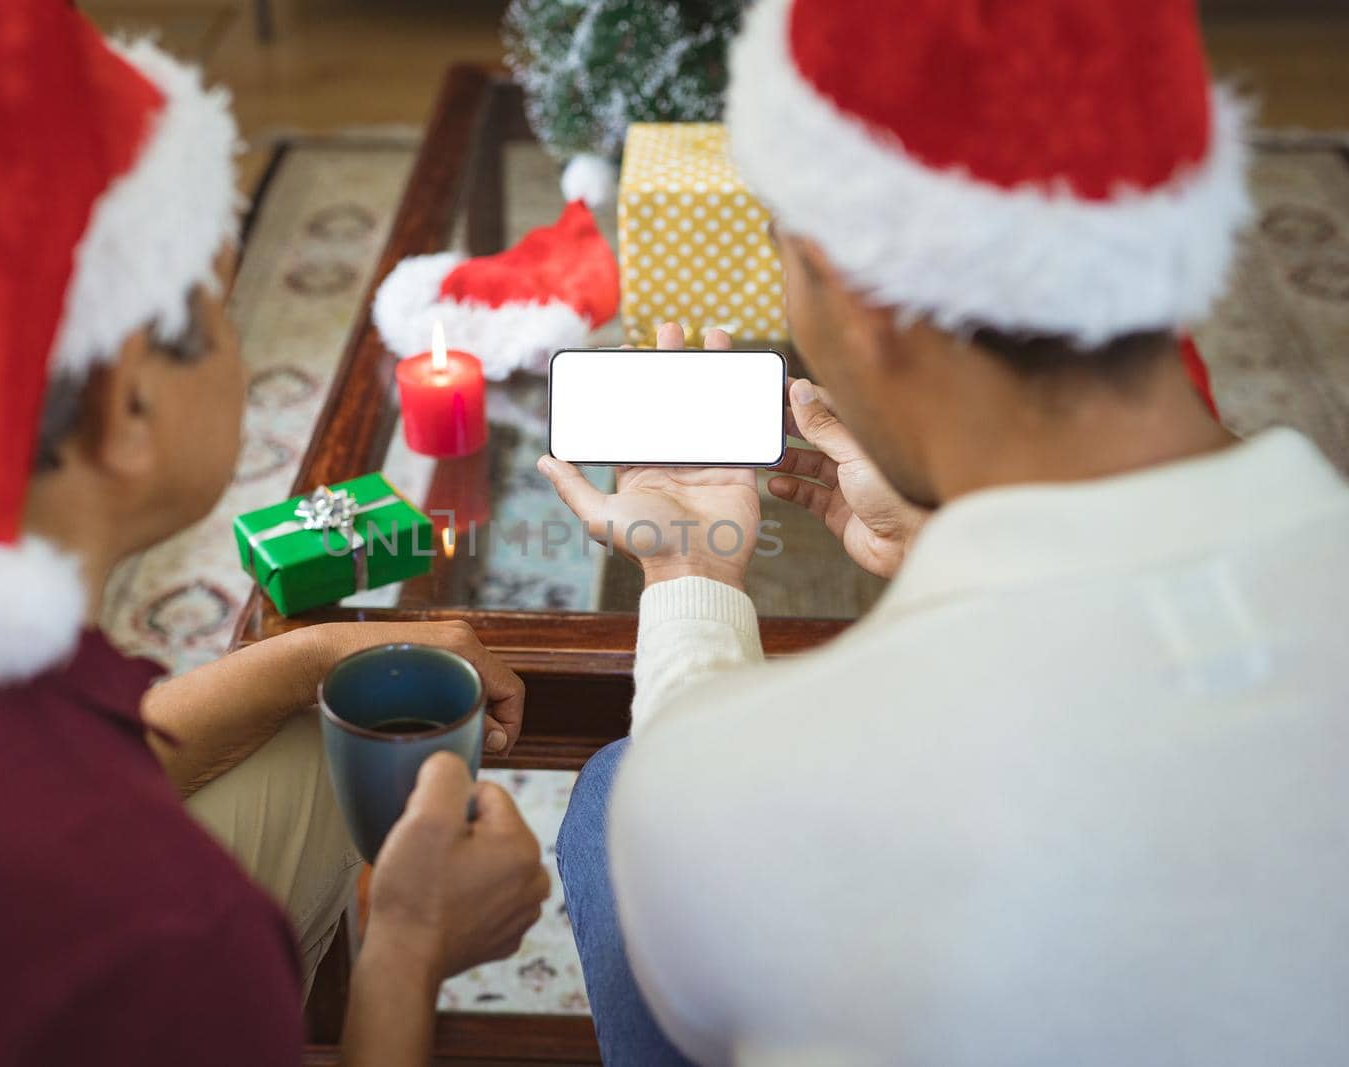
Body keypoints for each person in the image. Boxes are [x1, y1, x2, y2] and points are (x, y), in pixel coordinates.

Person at [538, 0, 1349, 1063]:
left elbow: (709, 816)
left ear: (858, 295)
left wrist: (691, 570)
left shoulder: (711, 791)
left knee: (610, 798)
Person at [0, 3, 547, 1064]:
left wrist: (305, 653)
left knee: (314, 728)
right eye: (220, 305)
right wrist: (409, 945)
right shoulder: (162, 933)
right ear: (125, 403)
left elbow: (22, 775)